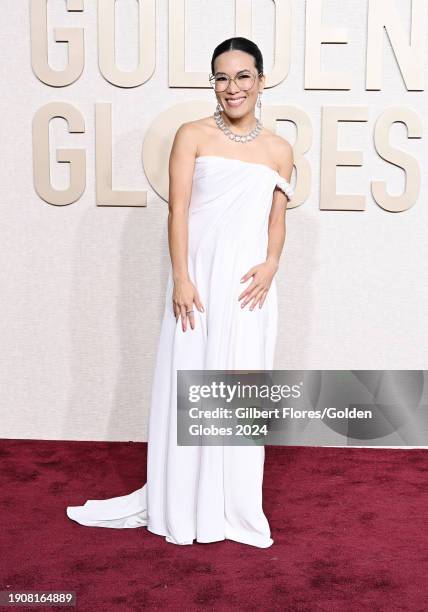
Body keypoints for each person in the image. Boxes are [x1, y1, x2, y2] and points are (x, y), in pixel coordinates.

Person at [66, 36, 294, 548]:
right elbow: (179, 211)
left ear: (261, 80)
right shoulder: (191, 135)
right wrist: (182, 277)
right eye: (221, 77)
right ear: (213, 83)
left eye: (242, 76)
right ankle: (187, 505)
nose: (231, 87)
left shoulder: (280, 149)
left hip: (249, 290)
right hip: (199, 282)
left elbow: (276, 223)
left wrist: (272, 265)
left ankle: (231, 506)